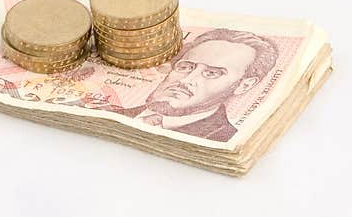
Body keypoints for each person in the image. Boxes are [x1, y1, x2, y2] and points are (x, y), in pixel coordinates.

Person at [117, 29, 279, 142]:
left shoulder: (224, 139)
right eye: (185, 67)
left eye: (212, 73)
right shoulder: (110, 114)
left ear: (244, 85)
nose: (186, 80)